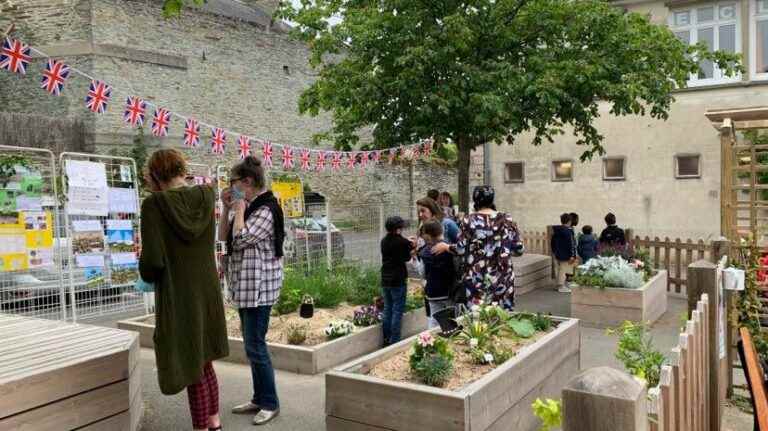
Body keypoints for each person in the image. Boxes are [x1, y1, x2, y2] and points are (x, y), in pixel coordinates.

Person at [139, 149, 229, 431]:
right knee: (205, 361)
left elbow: (153, 260)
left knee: (191, 364)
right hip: (207, 289)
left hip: (179, 293)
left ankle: (202, 428)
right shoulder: (205, 194)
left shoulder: (154, 205)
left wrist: (145, 273)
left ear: (155, 175)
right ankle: (214, 423)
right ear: (180, 168)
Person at [219, 156, 284, 426]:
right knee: (251, 347)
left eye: (233, 183)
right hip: (245, 286)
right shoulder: (248, 207)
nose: (230, 187)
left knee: (256, 346)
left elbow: (242, 238)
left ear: (247, 182)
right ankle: (259, 397)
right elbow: (224, 238)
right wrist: (227, 209)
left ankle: (270, 403)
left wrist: (240, 209)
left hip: (260, 289)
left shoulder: (266, 209)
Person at [432, 186, 523, 310]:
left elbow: (460, 249)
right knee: (503, 317)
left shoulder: (468, 220)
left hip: (476, 277)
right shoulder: (507, 219)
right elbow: (519, 249)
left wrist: (446, 246)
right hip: (503, 276)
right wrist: (502, 249)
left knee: (477, 320)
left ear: (475, 200)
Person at [380, 216, 415, 346]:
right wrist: (411, 247)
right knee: (397, 310)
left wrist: (406, 242)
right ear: (398, 229)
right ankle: (395, 340)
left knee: (387, 309)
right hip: (398, 279)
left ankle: (386, 338)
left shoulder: (384, 241)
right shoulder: (402, 242)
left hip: (385, 278)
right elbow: (407, 258)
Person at [417, 219, 456, 328]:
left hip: (432, 292)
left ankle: (432, 341)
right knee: (451, 320)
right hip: (449, 291)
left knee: (434, 320)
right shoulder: (449, 248)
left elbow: (422, 273)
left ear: (427, 235)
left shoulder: (424, 251)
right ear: (442, 230)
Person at [551, 213, 577, 293]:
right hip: (566, 254)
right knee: (563, 269)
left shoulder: (557, 231)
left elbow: (553, 242)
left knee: (559, 269)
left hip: (557, 253)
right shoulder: (568, 232)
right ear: (569, 221)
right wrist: (572, 255)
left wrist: (554, 251)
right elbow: (571, 244)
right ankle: (561, 286)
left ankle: (557, 285)